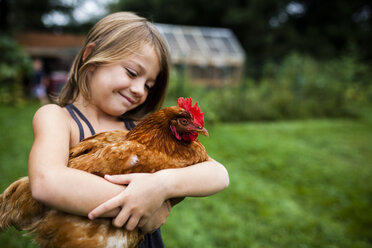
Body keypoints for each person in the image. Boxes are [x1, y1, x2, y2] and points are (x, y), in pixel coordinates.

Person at [28, 12, 229, 247]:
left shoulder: (139, 129)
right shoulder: (59, 119)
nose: (139, 89)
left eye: (148, 85)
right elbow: (45, 182)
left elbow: (218, 174)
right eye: (132, 73)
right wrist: (145, 206)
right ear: (91, 56)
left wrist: (162, 185)